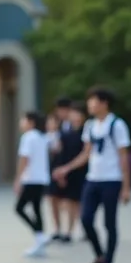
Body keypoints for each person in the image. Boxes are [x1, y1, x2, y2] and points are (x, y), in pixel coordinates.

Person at [53, 87, 131, 263]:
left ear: (104, 103)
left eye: (93, 101)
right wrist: (66, 169)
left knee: (109, 223)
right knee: (86, 219)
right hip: (93, 179)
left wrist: (126, 187)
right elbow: (86, 153)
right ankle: (100, 256)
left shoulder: (117, 125)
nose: (90, 105)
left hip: (112, 180)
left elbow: (123, 158)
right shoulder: (90, 126)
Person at [13, 111, 51, 257]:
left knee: (19, 208)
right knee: (36, 209)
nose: (21, 122)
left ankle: (39, 235)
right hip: (42, 179)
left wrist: (18, 179)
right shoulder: (42, 137)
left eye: (23, 120)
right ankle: (40, 240)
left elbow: (24, 160)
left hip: (31, 179)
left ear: (30, 122)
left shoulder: (28, 137)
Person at [50, 101, 89, 242]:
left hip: (79, 170)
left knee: (75, 201)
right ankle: (61, 229)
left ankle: (70, 230)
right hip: (65, 169)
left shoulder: (86, 131)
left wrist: (67, 169)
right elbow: (60, 152)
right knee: (60, 199)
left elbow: (85, 154)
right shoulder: (65, 131)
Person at [46, 96, 73, 241]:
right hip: (55, 166)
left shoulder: (75, 125)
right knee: (53, 198)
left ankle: (69, 230)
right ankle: (57, 228)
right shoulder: (56, 126)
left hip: (69, 166)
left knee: (69, 200)